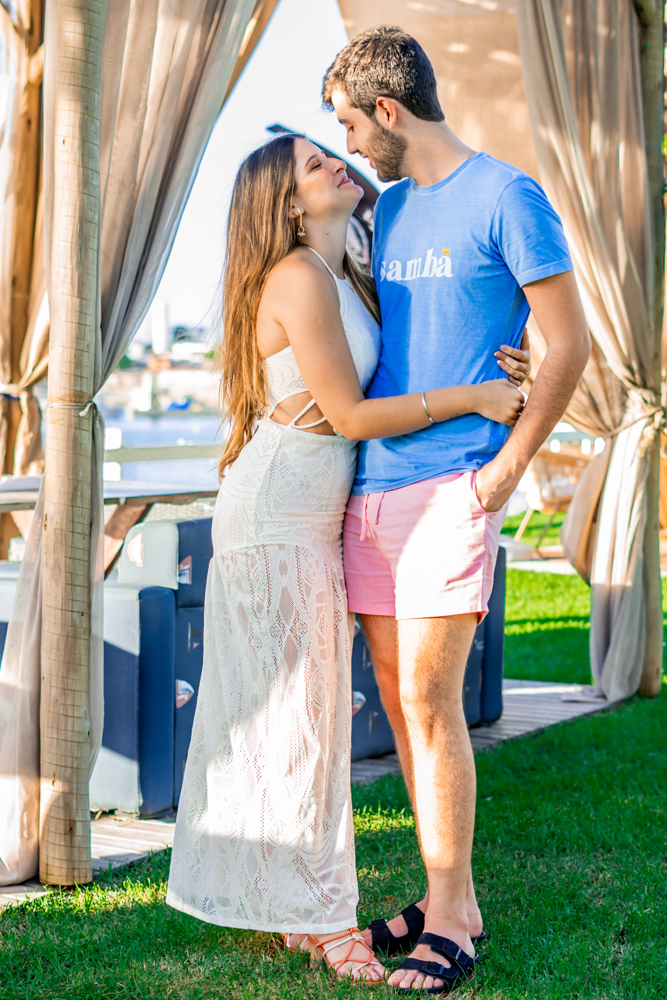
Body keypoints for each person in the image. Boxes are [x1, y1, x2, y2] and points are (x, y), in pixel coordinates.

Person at [166, 131, 531, 984]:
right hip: (276, 517)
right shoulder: (297, 275)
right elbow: (351, 417)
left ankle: (299, 907)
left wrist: (497, 363)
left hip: (310, 513)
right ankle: (328, 922)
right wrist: (476, 397)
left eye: (331, 151)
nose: (336, 161)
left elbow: (403, 364)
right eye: (313, 164)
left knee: (309, 720)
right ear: (289, 205)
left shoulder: (347, 270)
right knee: (297, 720)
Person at [323, 26, 591, 994]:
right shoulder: (387, 211)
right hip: (371, 484)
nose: (351, 142)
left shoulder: (506, 194)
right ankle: (439, 893)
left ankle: (453, 913)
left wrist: (505, 472)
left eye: (352, 123)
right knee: (400, 707)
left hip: (453, 484)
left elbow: (568, 341)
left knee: (431, 710)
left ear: (387, 111)